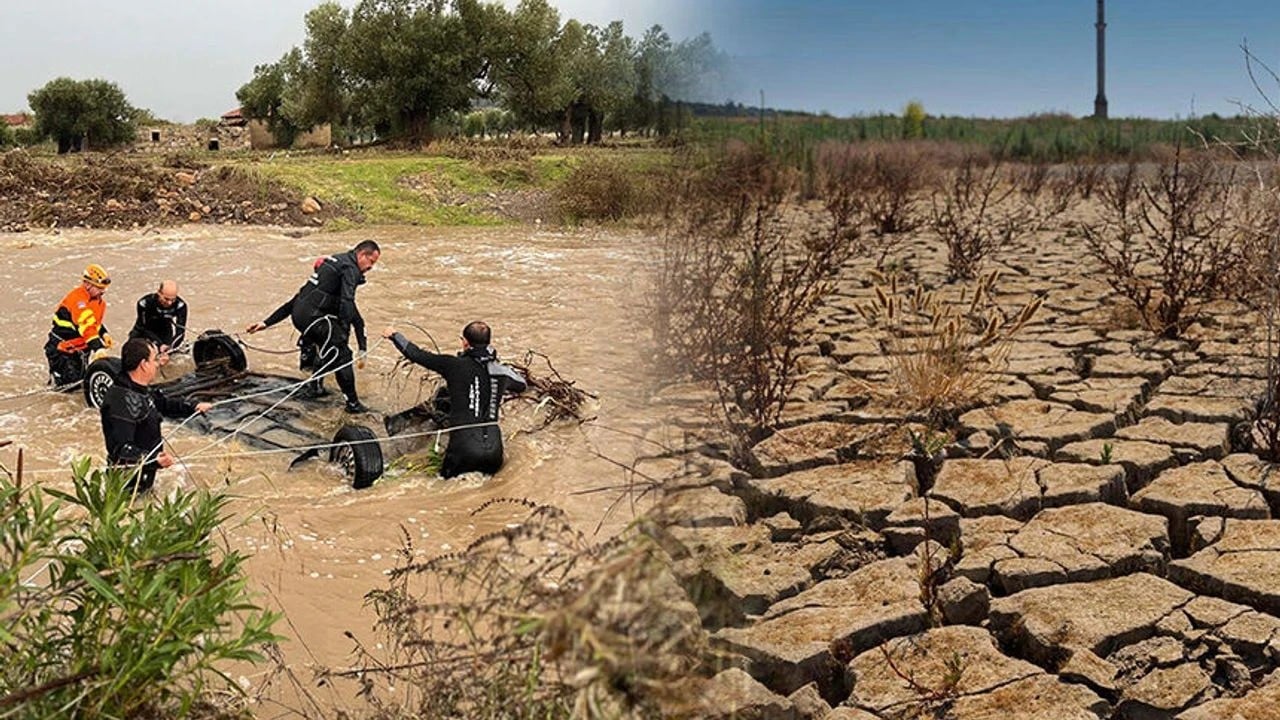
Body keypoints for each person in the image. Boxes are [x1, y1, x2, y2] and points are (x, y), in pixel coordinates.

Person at [246, 240, 379, 413]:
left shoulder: (333, 263)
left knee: (326, 344)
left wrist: (265, 323)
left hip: (301, 316)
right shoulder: (350, 269)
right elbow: (348, 301)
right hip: (313, 319)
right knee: (342, 353)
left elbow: (299, 298)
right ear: (362, 255)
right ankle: (353, 404)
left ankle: (314, 387)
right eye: (371, 262)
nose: (371, 267)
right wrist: (343, 337)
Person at [382, 321, 526, 478]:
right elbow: (522, 385)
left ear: (465, 342)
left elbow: (416, 354)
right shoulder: (502, 372)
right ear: (488, 343)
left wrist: (394, 335)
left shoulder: (453, 365)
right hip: (494, 453)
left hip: (463, 451)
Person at [100, 338, 213, 493]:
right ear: (143, 364)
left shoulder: (138, 388)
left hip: (145, 474)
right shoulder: (120, 403)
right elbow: (121, 449)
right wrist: (153, 459)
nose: (158, 363)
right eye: (154, 359)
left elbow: (163, 404)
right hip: (127, 484)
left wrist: (193, 406)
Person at [45, 263, 114, 388]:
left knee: (80, 383)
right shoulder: (78, 301)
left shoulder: (98, 301)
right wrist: (97, 348)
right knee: (67, 390)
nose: (103, 291)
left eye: (104, 288)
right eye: (99, 288)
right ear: (87, 284)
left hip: (80, 350)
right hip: (63, 350)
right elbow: (86, 325)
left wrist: (104, 334)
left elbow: (94, 322)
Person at [129, 279, 188, 353]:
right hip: (143, 329)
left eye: (173, 299)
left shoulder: (180, 305)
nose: (169, 303)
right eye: (166, 299)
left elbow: (180, 331)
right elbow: (143, 327)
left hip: (165, 329)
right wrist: (159, 344)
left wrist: (171, 347)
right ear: (159, 293)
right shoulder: (145, 303)